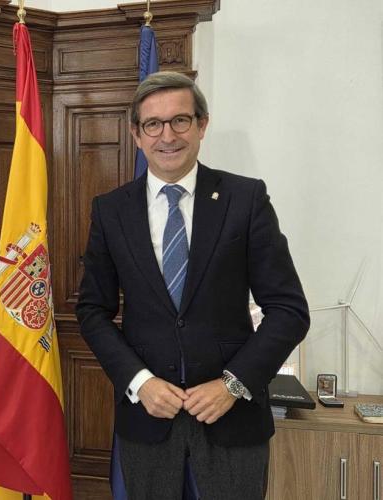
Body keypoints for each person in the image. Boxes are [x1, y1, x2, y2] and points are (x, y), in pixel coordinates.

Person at [75, 71, 309, 499]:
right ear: (136, 134)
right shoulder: (110, 211)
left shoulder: (245, 199)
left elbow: (289, 310)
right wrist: (139, 381)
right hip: (147, 419)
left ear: (202, 125)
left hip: (232, 419)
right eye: (153, 124)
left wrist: (233, 384)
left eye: (180, 120)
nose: (167, 136)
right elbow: (92, 311)